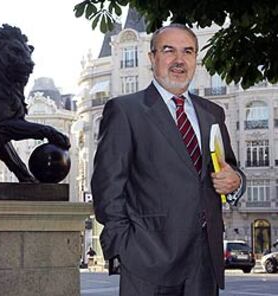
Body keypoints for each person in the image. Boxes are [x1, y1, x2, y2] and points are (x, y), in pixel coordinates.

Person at [91, 23, 246, 296]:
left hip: (204, 263)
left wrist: (235, 181)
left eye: (188, 51)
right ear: (152, 58)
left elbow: (230, 168)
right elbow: (107, 188)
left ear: (196, 59)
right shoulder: (125, 111)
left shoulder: (213, 113)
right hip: (147, 261)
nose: (179, 60)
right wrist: (125, 248)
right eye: (168, 50)